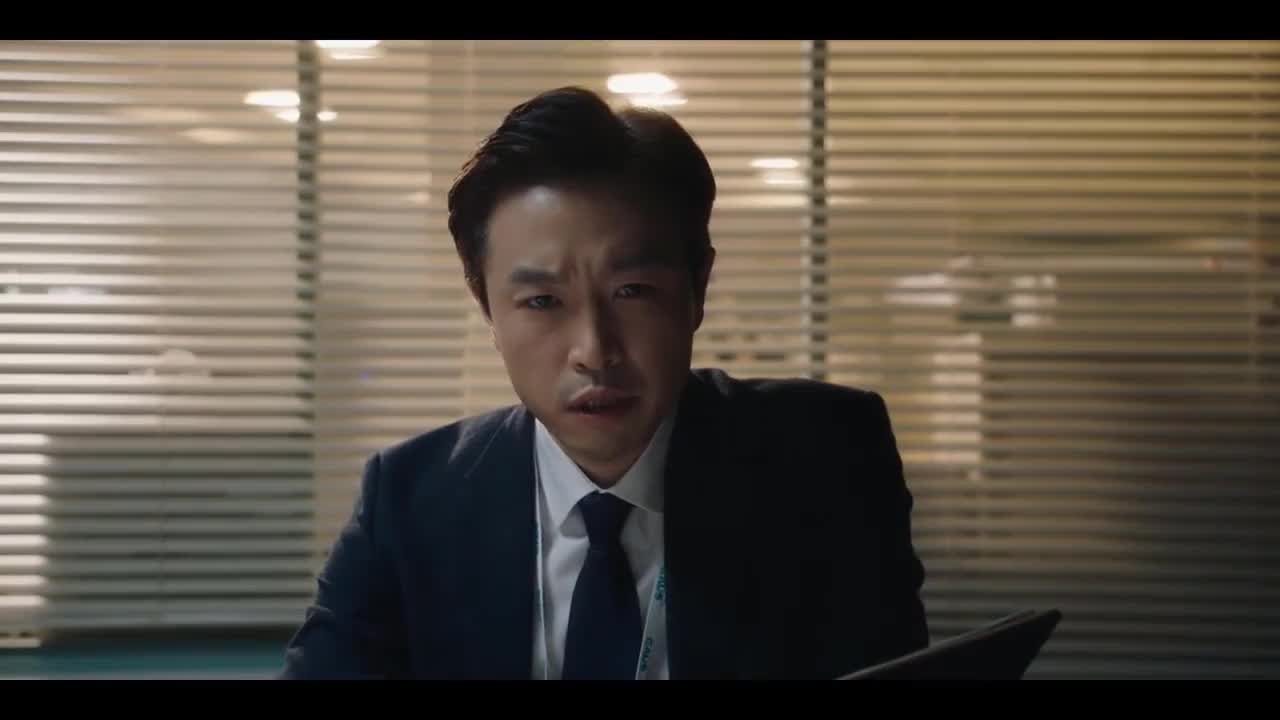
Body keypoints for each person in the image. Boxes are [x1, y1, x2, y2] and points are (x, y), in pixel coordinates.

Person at [280, 86, 929, 680]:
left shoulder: (824, 461)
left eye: (633, 290)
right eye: (542, 301)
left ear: (697, 288)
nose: (594, 351)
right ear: (489, 312)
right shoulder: (410, 502)